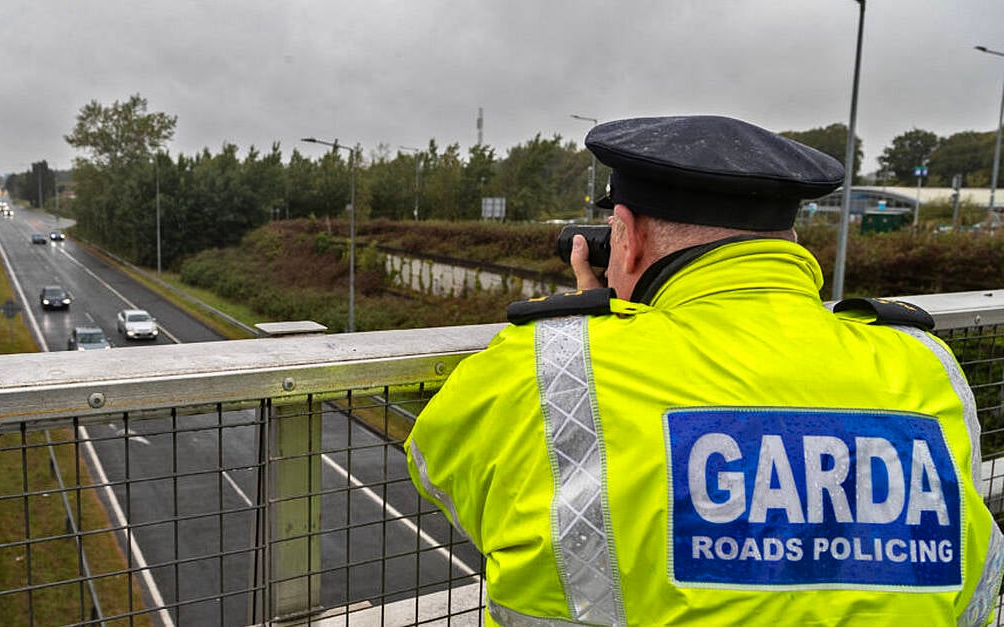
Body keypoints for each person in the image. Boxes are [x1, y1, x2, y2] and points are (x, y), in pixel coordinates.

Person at [405, 115, 1004, 626]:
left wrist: (596, 325)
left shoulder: (548, 365)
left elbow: (438, 469)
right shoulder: (922, 363)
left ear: (626, 237)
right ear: (788, 239)